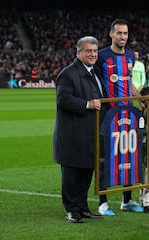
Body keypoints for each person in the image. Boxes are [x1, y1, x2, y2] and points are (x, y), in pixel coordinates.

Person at [53, 36, 106, 223]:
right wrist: (87, 104)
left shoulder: (96, 72)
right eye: (88, 51)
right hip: (72, 136)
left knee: (86, 172)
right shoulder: (68, 74)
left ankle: (82, 207)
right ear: (78, 52)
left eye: (95, 51)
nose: (93, 54)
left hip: (91, 135)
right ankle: (71, 210)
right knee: (72, 175)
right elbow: (63, 100)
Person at [95, 18, 143, 216]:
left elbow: (128, 82)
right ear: (111, 34)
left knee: (129, 155)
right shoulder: (102, 56)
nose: (123, 37)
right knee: (106, 158)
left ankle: (127, 200)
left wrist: (141, 99)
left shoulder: (131, 56)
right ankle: (103, 202)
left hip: (129, 114)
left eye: (125, 33)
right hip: (108, 115)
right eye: (119, 33)